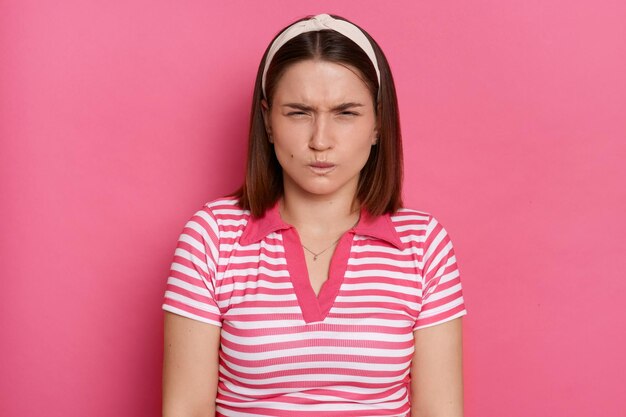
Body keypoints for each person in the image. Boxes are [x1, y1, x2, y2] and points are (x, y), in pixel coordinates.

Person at [162, 13, 466, 417]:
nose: (320, 141)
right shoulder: (210, 237)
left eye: (346, 113)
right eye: (299, 112)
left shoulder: (424, 244)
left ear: (378, 124)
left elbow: (438, 411)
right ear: (268, 121)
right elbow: (186, 409)